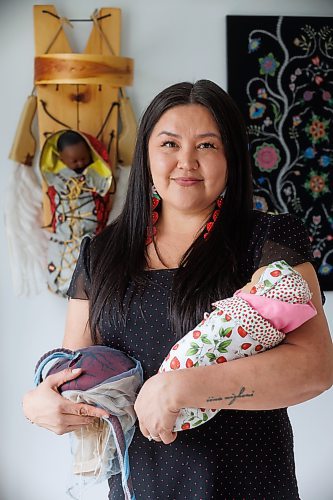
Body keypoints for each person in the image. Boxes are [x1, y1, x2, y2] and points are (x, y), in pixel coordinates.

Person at [23, 80, 333, 499]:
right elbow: (83, 374)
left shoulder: (269, 240)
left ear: (231, 158)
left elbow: (315, 368)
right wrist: (42, 403)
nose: (186, 161)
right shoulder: (101, 253)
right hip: (138, 488)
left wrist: (182, 387)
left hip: (250, 484)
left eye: (207, 145)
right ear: (147, 153)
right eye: (169, 144)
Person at [40, 130, 113, 296]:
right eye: (74, 161)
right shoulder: (56, 182)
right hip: (63, 240)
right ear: (61, 159)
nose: (80, 163)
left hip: (91, 239)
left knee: (93, 278)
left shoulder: (96, 179)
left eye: (84, 158)